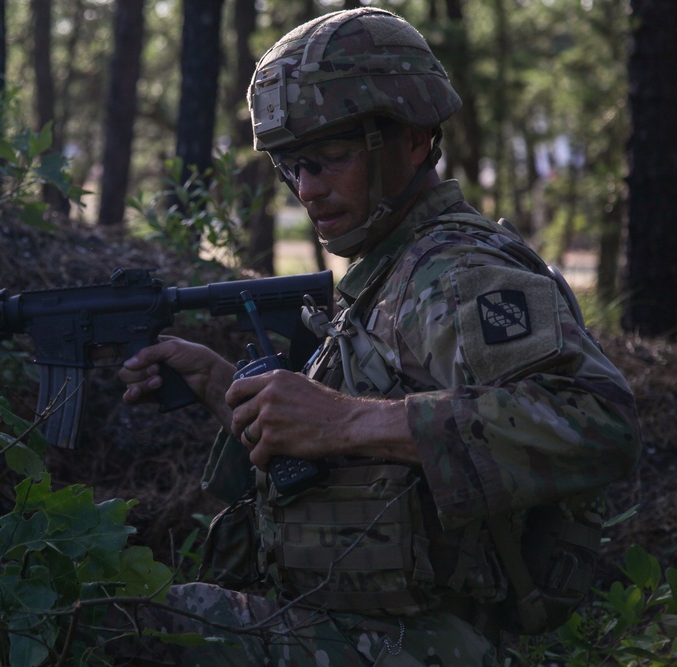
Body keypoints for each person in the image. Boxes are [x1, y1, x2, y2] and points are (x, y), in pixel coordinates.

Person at [114, 7, 641, 666]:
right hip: (357, 624)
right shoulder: (389, 270)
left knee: (130, 628)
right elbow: (356, 460)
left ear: (414, 140)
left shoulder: (457, 271)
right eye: (290, 165)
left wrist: (344, 421)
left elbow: (599, 422)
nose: (307, 188)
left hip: (429, 640)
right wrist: (221, 386)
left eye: (330, 157)